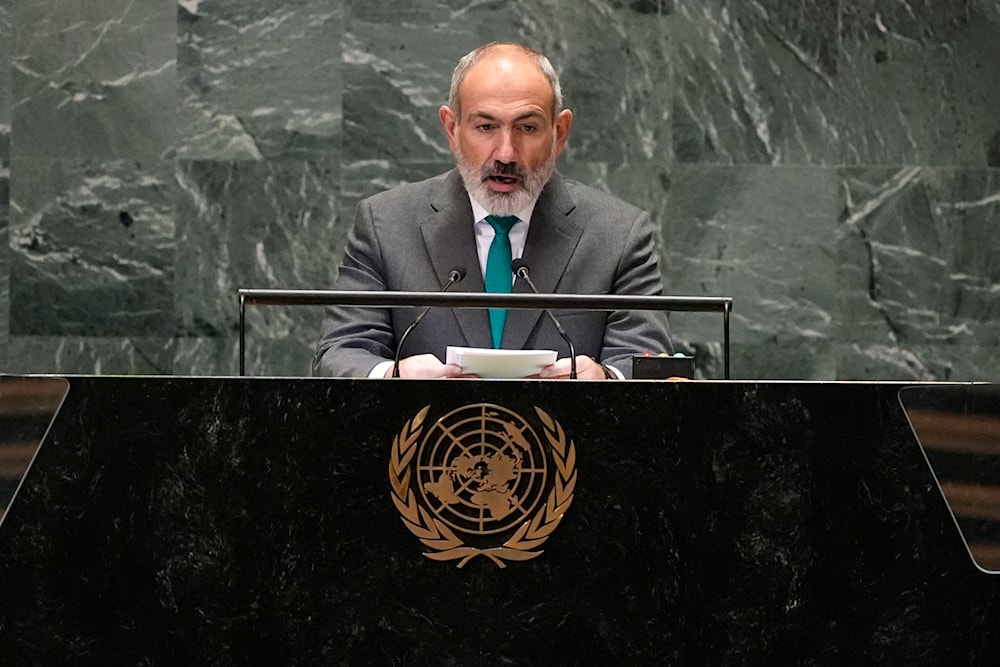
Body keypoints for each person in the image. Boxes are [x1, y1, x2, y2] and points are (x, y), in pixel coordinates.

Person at [313, 42, 672, 379]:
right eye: (485, 126)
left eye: (527, 127)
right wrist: (395, 376)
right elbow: (341, 352)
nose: (505, 153)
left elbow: (646, 360)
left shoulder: (620, 234)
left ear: (559, 133)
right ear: (452, 129)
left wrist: (607, 377)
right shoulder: (385, 225)